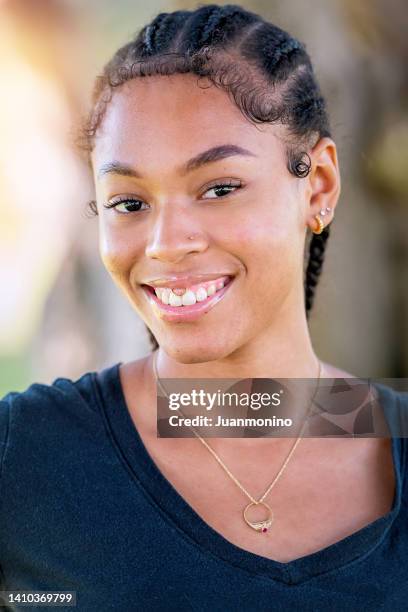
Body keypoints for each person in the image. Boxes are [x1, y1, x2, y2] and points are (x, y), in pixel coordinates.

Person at [1, 4, 407, 610]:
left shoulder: (387, 436)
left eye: (219, 189)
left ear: (317, 185)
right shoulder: (25, 456)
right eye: (129, 202)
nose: (166, 243)